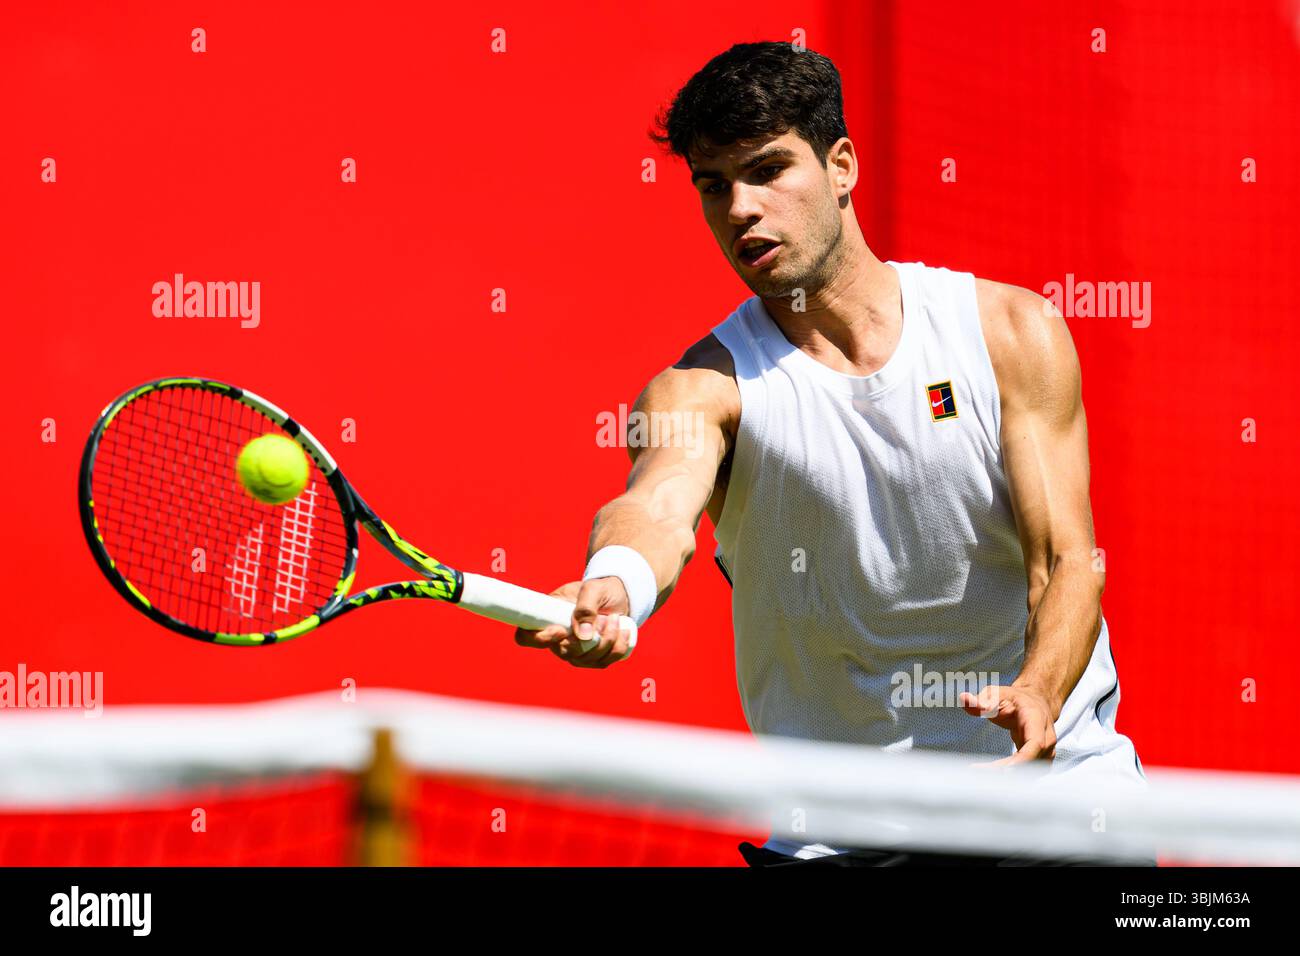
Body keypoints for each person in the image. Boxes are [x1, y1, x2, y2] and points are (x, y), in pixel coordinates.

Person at [514, 41, 1148, 865]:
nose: (740, 207)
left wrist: (1039, 690)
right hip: (846, 841)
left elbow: (1066, 560)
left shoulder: (1009, 333)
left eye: (769, 170)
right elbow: (655, 508)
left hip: (1058, 807)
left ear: (842, 165)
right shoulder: (700, 389)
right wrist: (619, 584)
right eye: (714, 185)